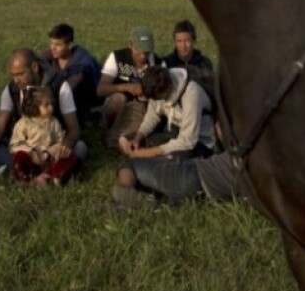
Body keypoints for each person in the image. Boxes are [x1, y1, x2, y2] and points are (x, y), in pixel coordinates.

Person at [0, 48, 89, 175]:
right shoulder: (12, 89)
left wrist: (63, 148)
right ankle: (48, 172)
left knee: (79, 148)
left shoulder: (60, 86)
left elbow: (74, 129)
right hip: (26, 149)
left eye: (20, 74)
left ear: (35, 68)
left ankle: (33, 171)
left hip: (52, 145)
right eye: (13, 75)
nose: (16, 80)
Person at [116, 65, 217, 162]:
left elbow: (188, 141)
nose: (156, 101)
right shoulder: (156, 86)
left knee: (172, 160)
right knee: (135, 143)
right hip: (174, 131)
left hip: (199, 141)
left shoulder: (191, 93)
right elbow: (152, 116)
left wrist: (145, 153)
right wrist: (138, 137)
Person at [96, 27, 164, 149]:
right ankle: (109, 126)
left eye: (147, 52)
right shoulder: (117, 57)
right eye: (139, 51)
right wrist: (125, 87)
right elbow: (100, 90)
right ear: (130, 45)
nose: (143, 56)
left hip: (141, 107)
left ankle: (123, 138)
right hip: (119, 103)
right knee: (118, 99)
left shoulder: (158, 64)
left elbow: (163, 94)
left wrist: (149, 96)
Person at [112, 151, 247, 209]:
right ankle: (134, 201)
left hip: (197, 173)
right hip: (201, 186)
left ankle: (126, 192)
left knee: (130, 164)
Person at [9, 85, 79, 185]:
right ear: (34, 107)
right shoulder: (23, 123)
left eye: (51, 104)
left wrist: (50, 152)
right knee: (19, 157)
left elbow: (60, 141)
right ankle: (28, 180)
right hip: (32, 160)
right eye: (46, 105)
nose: (51, 107)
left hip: (49, 159)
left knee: (69, 155)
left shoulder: (54, 122)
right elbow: (14, 145)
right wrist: (31, 153)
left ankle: (55, 177)